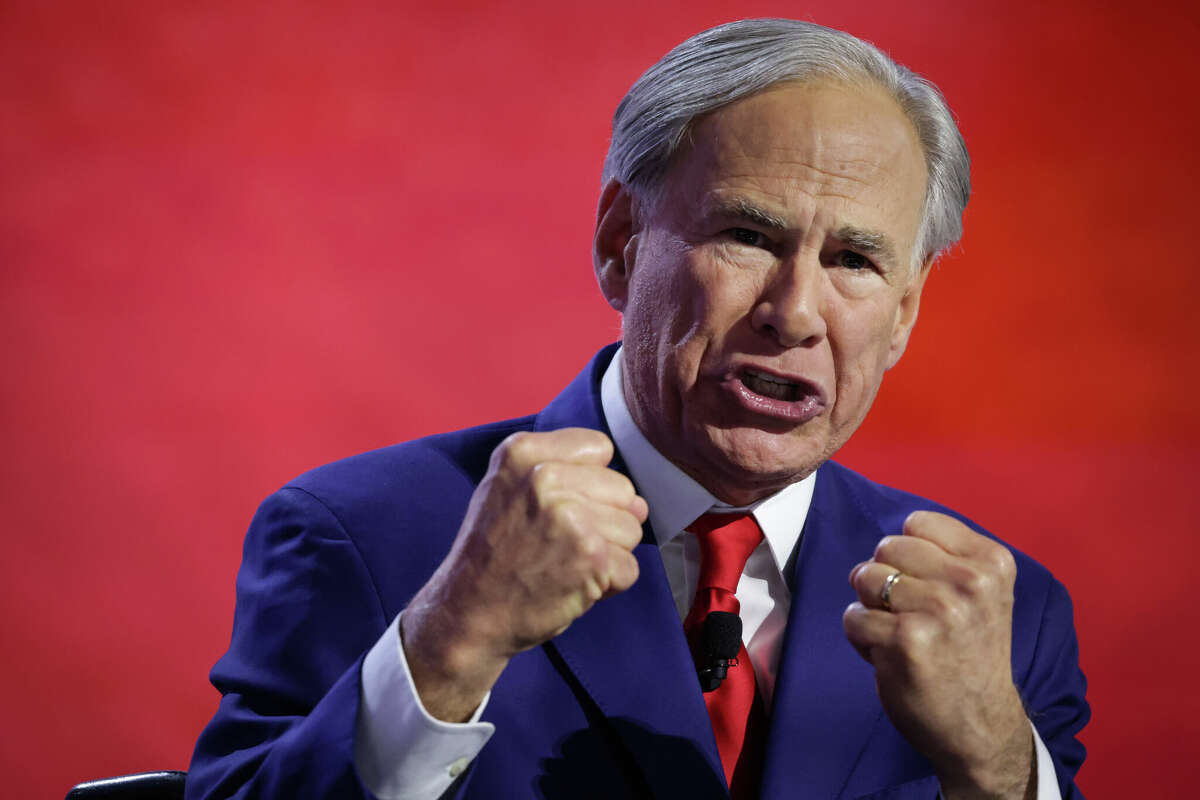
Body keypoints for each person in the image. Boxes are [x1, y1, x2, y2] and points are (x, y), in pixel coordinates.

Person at [186, 18, 1088, 800]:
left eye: (855, 259)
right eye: (747, 235)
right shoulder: (362, 537)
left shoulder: (1005, 615)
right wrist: (446, 649)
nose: (797, 311)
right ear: (621, 245)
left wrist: (1001, 768)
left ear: (905, 312)